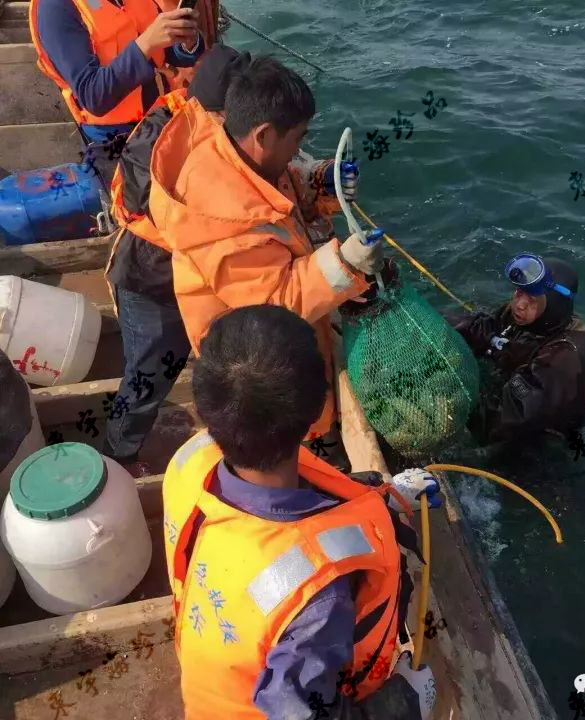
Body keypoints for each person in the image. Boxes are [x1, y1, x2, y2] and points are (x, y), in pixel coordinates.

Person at [162, 305, 441, 720]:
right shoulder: (316, 595)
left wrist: (381, 495)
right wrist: (402, 703)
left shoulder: (191, 459)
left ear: (206, 408)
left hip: (211, 685)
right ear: (315, 413)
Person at [149, 55, 383, 441]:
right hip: (253, 365)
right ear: (263, 136)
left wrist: (321, 183)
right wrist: (345, 263)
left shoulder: (231, 151)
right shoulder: (226, 220)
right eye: (298, 139)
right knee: (280, 431)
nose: (299, 150)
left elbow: (281, 193)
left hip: (272, 338)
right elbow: (275, 305)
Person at [103, 44, 250, 474]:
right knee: (145, 377)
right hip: (150, 282)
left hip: (196, 282)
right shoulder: (159, 140)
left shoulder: (213, 132)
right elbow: (148, 207)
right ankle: (118, 454)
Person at [454, 253, 585, 441]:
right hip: (505, 392)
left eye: (532, 299)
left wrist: (452, 401)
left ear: (553, 305)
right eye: (519, 292)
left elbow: (502, 423)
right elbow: (485, 328)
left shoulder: (563, 361)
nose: (519, 305)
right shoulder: (524, 315)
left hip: (535, 445)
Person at [29, 0, 207, 145]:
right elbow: (93, 96)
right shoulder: (55, 7)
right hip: (113, 140)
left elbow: (164, 51)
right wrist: (146, 44)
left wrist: (187, 43)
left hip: (163, 119)